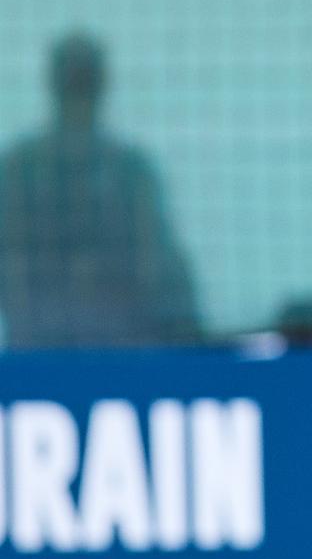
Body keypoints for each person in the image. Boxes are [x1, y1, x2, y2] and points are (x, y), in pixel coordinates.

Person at [0, 31, 201, 348]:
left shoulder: (131, 172)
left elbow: (159, 268)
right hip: (42, 353)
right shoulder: (19, 172)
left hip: (120, 352)